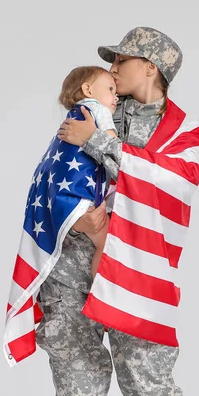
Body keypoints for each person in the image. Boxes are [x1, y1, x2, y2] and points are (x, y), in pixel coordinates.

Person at [36, 26, 199, 396]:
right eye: (112, 61)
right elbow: (57, 175)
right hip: (73, 272)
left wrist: (101, 144)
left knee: (153, 390)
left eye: (123, 60)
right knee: (75, 391)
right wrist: (87, 225)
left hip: (136, 276)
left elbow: (171, 187)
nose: (113, 67)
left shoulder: (182, 132)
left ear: (153, 68)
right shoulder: (94, 106)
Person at [58, 65, 118, 278]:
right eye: (111, 89)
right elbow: (111, 143)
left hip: (67, 194)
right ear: (88, 90)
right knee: (106, 244)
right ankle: (100, 295)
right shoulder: (98, 109)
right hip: (84, 194)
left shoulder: (74, 114)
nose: (115, 97)